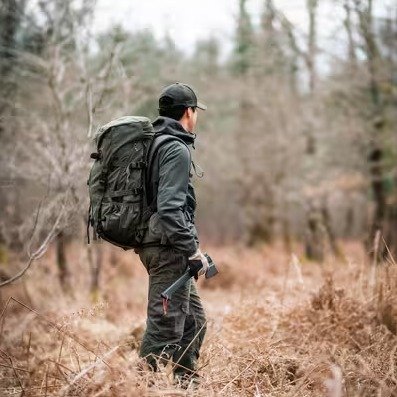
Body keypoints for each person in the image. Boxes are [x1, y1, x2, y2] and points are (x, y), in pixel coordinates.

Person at [136, 82, 208, 385]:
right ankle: (136, 387)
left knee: (193, 321)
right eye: (196, 111)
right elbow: (169, 209)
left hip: (159, 244)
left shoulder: (155, 142)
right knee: (164, 327)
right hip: (168, 249)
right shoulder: (175, 148)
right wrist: (192, 250)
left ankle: (185, 385)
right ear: (188, 112)